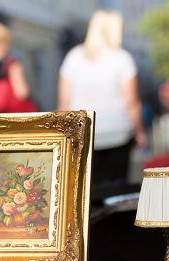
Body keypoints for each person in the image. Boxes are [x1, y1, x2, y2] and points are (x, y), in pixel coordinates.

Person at [58, 10, 147, 189]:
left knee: (86, 189)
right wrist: (140, 131)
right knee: (118, 187)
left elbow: (64, 100)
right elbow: (131, 101)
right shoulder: (122, 58)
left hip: (83, 132)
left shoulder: (73, 57)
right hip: (118, 131)